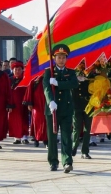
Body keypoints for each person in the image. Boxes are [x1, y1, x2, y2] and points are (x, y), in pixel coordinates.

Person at [43, 44, 79, 173]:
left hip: (66, 108)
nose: (61, 60)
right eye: (59, 57)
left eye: (64, 57)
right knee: (52, 138)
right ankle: (53, 161)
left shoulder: (71, 72)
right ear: (54, 58)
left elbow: (74, 83)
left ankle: (67, 161)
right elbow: (46, 88)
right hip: (52, 109)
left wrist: (58, 83)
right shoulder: (48, 72)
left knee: (66, 137)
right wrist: (50, 102)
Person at [71, 61, 93, 159]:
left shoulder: (91, 73)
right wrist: (76, 80)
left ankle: (85, 151)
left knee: (88, 129)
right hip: (76, 105)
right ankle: (74, 146)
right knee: (77, 127)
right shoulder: (72, 73)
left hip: (88, 104)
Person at [23, 74, 48, 148]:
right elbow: (29, 90)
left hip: (47, 103)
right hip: (37, 104)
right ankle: (36, 139)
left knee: (46, 121)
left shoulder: (50, 76)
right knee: (36, 121)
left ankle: (46, 140)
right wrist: (29, 103)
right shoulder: (34, 79)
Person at [8, 61, 29, 144]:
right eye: (15, 69)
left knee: (24, 119)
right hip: (13, 104)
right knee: (14, 121)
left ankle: (24, 137)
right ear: (12, 70)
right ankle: (17, 138)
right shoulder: (9, 80)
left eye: (19, 69)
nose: (17, 71)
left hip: (23, 103)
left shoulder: (25, 79)